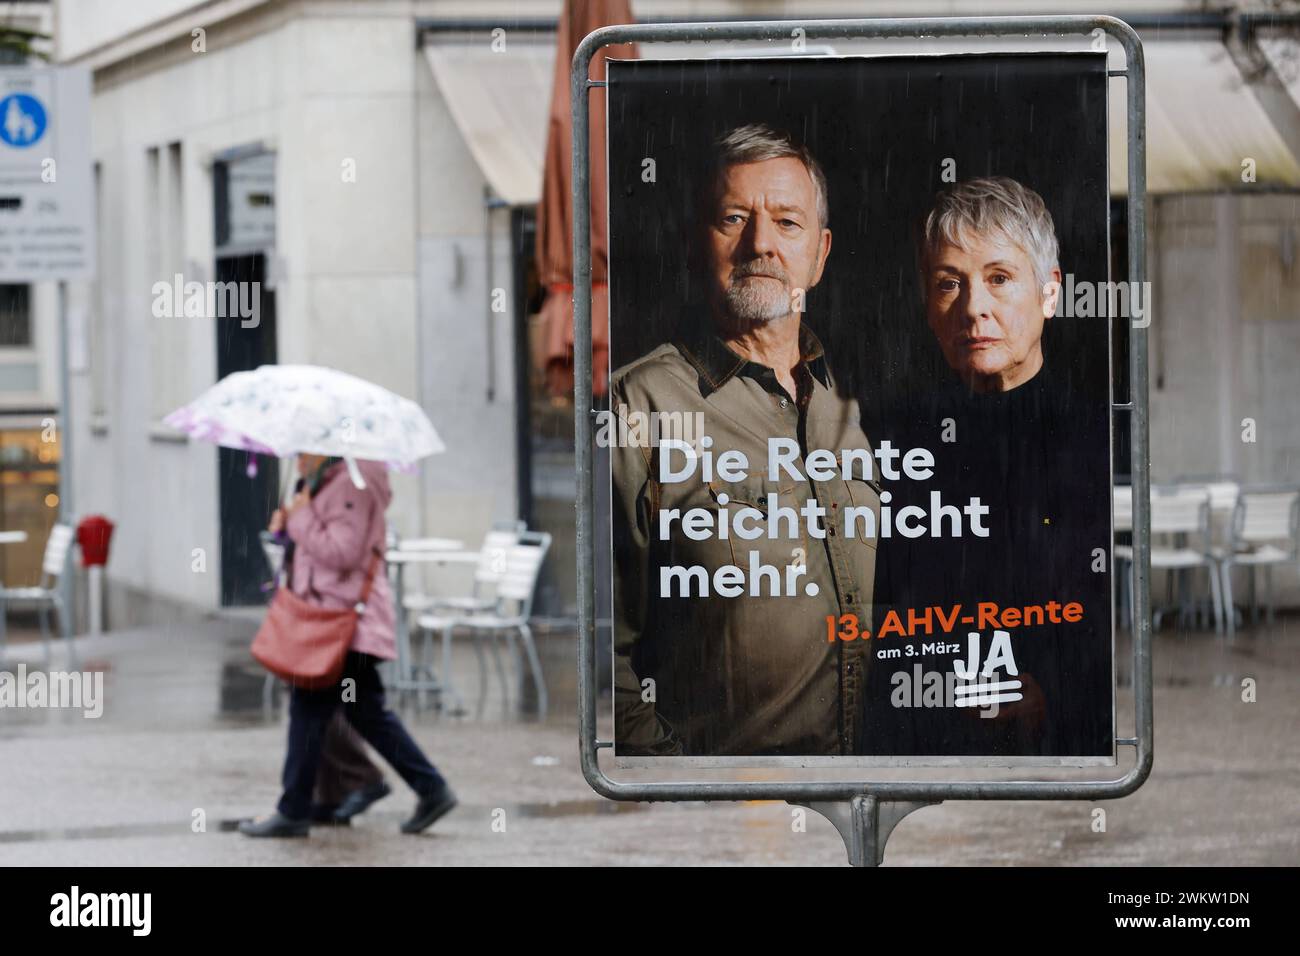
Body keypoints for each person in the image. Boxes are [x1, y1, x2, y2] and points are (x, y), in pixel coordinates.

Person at [610, 124, 880, 758]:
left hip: (865, 794)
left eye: (788, 222)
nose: (761, 244)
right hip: (726, 813)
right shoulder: (639, 405)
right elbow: (604, 647)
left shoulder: (857, 400)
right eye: (734, 218)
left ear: (820, 252)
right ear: (697, 242)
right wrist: (679, 789)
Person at [861, 177, 1112, 759]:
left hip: (1061, 760)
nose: (974, 307)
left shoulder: (1094, 437)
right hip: (922, 750)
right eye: (950, 283)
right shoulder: (896, 442)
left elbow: (1099, 622)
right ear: (927, 305)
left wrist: (1050, 694)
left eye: (999, 278)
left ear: (1050, 294)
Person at [240, 454, 457, 837]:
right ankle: (429, 788)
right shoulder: (330, 480)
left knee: (310, 710)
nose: (299, 457)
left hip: (344, 623)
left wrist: (300, 518)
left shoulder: (352, 483)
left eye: (305, 448)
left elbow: (343, 553)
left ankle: (294, 811)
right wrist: (288, 525)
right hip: (334, 620)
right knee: (363, 713)